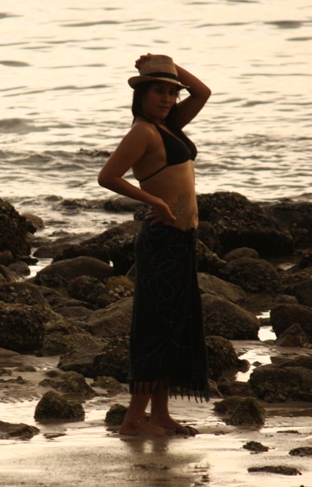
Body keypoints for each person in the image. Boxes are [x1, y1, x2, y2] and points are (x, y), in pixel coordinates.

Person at [97, 54, 212, 436]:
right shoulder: (143, 132)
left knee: (175, 325)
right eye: (158, 91)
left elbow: (203, 91)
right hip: (162, 241)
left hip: (183, 239)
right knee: (155, 327)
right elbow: (108, 176)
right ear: (141, 94)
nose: (167, 98)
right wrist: (155, 202)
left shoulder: (171, 126)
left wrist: (171, 66)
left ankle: (160, 415)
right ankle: (133, 420)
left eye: (171, 92)